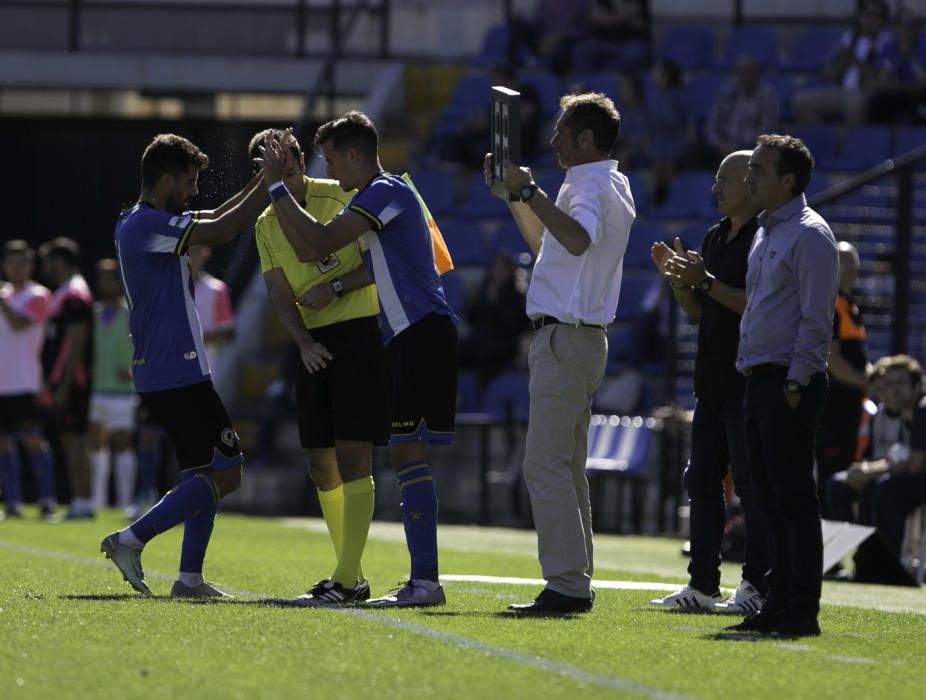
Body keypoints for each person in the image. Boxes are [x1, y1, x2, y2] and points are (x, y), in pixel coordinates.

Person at [255, 113, 458, 607]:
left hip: (421, 332)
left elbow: (321, 242)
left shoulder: (384, 191)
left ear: (350, 155)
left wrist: (277, 190)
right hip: (409, 335)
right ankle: (413, 581)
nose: (330, 168)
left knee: (409, 455)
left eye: (330, 157)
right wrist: (340, 284)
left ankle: (421, 583)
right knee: (406, 454)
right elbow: (366, 259)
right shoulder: (384, 193)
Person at [483, 91, 634, 614]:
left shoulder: (590, 184)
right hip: (578, 336)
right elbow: (551, 242)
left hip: (566, 336)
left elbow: (574, 239)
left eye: (563, 133)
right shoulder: (605, 181)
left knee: (544, 464)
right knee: (566, 467)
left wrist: (530, 189)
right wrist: (515, 195)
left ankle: (567, 584)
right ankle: (576, 580)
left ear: (587, 138)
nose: (554, 143)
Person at [100, 133, 267, 598]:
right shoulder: (145, 225)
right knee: (227, 472)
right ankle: (130, 540)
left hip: (169, 368)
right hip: (175, 368)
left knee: (203, 472)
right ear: (166, 180)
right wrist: (269, 182)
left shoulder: (144, 221)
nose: (194, 192)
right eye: (189, 182)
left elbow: (215, 218)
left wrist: (262, 179)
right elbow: (224, 229)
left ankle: (189, 579)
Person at [250, 127, 389, 606]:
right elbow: (277, 292)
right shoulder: (266, 224)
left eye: (291, 164)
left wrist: (337, 287)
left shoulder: (341, 195)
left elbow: (380, 263)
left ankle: (346, 579)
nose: (289, 174)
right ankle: (350, 575)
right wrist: (304, 342)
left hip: (356, 333)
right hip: (312, 346)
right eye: (276, 169)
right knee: (319, 464)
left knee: (354, 457)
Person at [648, 150, 768, 614]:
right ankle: (702, 584)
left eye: (725, 179)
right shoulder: (716, 235)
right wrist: (680, 282)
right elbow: (700, 311)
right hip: (712, 380)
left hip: (746, 378)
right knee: (701, 480)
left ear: (750, 185)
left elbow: (754, 304)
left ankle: (756, 585)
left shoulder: (763, 236)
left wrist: (706, 281)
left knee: (751, 487)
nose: (716, 187)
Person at [728, 134, 839, 638]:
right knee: (768, 501)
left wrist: (796, 383)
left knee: (793, 499)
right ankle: (776, 602)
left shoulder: (810, 235)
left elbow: (817, 321)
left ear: (787, 180)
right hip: (760, 378)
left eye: (758, 169)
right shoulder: (766, 232)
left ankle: (800, 610)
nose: (749, 177)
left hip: (786, 382)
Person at [826, 355, 921, 528]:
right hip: (881, 469)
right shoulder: (877, 416)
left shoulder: (915, 414)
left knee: (877, 487)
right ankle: (854, 540)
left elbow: (908, 461)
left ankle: (874, 548)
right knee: (837, 484)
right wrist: (862, 470)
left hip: (894, 474)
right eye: (886, 386)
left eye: (899, 384)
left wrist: (869, 472)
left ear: (916, 387)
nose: (891, 392)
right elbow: (870, 456)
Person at [0, 240, 57, 519]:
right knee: (3, 445)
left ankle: (46, 500)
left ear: (30, 266)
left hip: (24, 381)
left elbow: (19, 323)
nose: (17, 268)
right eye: (11, 262)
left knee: (33, 442)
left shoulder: (39, 294)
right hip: (1, 383)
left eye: (22, 262)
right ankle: (12, 503)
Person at [38, 237, 95, 520]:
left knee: (74, 441)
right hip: (66, 380)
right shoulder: (64, 292)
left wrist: (64, 383)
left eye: (49, 260)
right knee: (70, 440)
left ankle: (82, 502)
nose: (45, 267)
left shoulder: (74, 293)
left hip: (73, 381)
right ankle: (80, 500)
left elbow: (76, 341)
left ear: (61, 262)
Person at [816, 241, 869, 515]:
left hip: (848, 406)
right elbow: (832, 360)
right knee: (829, 476)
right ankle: (824, 552)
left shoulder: (850, 305)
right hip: (832, 407)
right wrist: (867, 382)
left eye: (853, 260)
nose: (850, 266)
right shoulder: (832, 302)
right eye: (842, 260)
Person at [792, 0, 894, 125]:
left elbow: (881, 77)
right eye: (866, 14)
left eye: (875, 15)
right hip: (840, 90)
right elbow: (827, 74)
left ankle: (851, 142)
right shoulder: (848, 37)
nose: (870, 20)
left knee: (854, 104)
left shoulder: (887, 41)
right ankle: (822, 138)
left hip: (864, 93)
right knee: (802, 101)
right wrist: (842, 62)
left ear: (883, 19)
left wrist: (855, 59)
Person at [89, 258, 138, 512]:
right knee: (97, 447)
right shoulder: (93, 312)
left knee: (122, 445)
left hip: (124, 393)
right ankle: (96, 500)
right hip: (97, 389)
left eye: (112, 277)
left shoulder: (131, 312)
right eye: (103, 278)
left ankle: (124, 501)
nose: (107, 283)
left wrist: (133, 370)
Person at [458, 250, 530, 388]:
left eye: (502, 269)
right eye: (496, 268)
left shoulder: (516, 294)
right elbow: (473, 320)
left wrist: (496, 303)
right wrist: (473, 303)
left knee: (488, 356)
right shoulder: (484, 289)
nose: (498, 273)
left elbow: (515, 325)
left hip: (504, 344)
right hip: (482, 340)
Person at [705, 55, 780, 164]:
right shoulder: (725, 93)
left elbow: (768, 128)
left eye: (749, 73)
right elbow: (711, 125)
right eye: (740, 73)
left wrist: (738, 146)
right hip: (722, 146)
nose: (745, 77)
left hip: (750, 147)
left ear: (757, 74)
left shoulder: (766, 95)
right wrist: (718, 144)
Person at [188, 245, 234, 372]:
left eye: (194, 250)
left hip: (206, 369)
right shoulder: (166, 289)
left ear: (205, 251)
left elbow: (225, 332)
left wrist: (189, 341)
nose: (189, 255)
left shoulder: (216, 289)